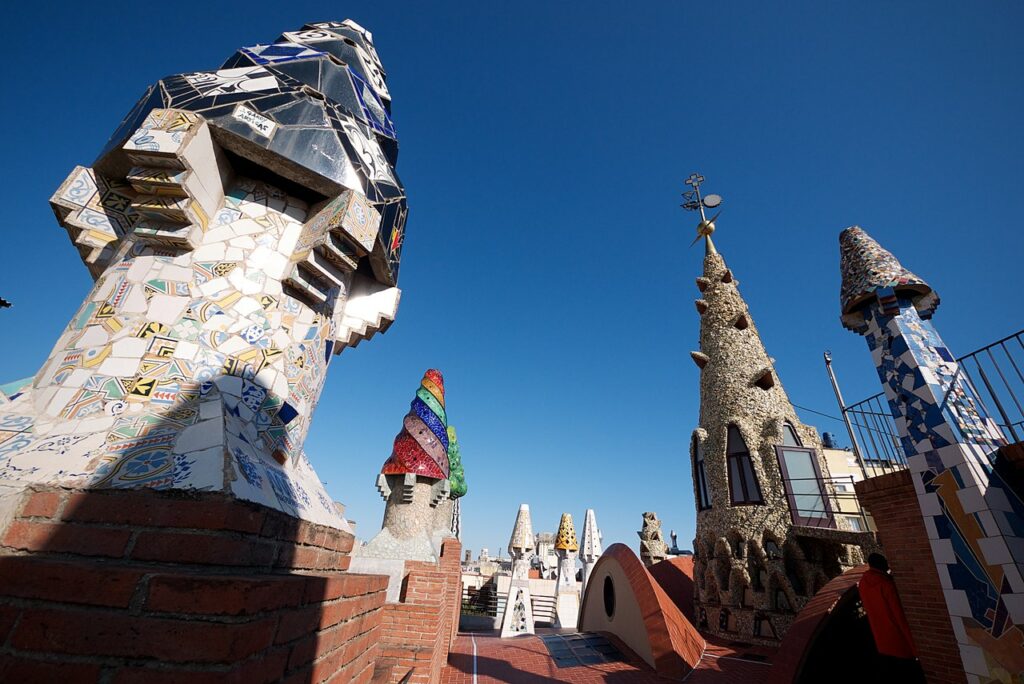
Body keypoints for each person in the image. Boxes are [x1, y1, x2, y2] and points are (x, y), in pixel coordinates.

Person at [858, 553, 924, 680]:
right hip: (900, 644)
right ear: (883, 564)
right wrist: (915, 650)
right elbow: (900, 617)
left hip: (882, 643)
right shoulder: (886, 586)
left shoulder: (863, 583)